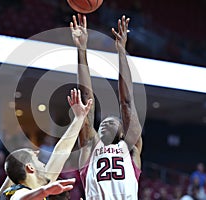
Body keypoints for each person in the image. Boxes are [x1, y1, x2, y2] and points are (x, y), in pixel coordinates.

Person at [70, 14, 142, 199]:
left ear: (122, 132)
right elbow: (87, 97)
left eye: (112, 121)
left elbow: (126, 103)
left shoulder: (130, 148)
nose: (105, 122)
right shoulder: (89, 147)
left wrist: (121, 52)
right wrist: (81, 50)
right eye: (104, 121)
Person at [0, 88, 92, 200]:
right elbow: (19, 198)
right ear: (30, 167)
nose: (43, 162)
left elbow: (61, 152)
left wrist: (79, 118)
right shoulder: (15, 192)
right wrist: (44, 191)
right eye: (37, 160)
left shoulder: (39, 186)